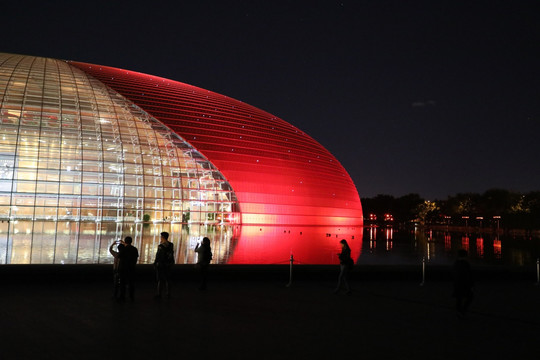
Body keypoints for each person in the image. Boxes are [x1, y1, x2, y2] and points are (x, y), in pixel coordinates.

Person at [154, 231, 174, 298]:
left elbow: (158, 255)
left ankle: (159, 294)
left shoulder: (160, 246)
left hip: (161, 264)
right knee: (168, 279)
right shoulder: (171, 245)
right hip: (168, 264)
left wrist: (155, 263)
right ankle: (168, 293)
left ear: (162, 237)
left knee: (160, 279)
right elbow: (171, 254)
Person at [118, 236, 139, 302]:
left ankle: (122, 296)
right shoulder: (134, 249)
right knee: (131, 283)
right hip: (132, 268)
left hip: (123, 268)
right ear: (131, 241)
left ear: (125, 241)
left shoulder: (123, 249)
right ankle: (131, 296)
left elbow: (119, 256)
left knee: (122, 283)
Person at [453, 249, 473, 317]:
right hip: (464, 284)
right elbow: (468, 275)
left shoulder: (457, 263)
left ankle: (459, 311)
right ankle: (462, 311)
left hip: (458, 284)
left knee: (459, 298)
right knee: (469, 297)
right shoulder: (465, 264)